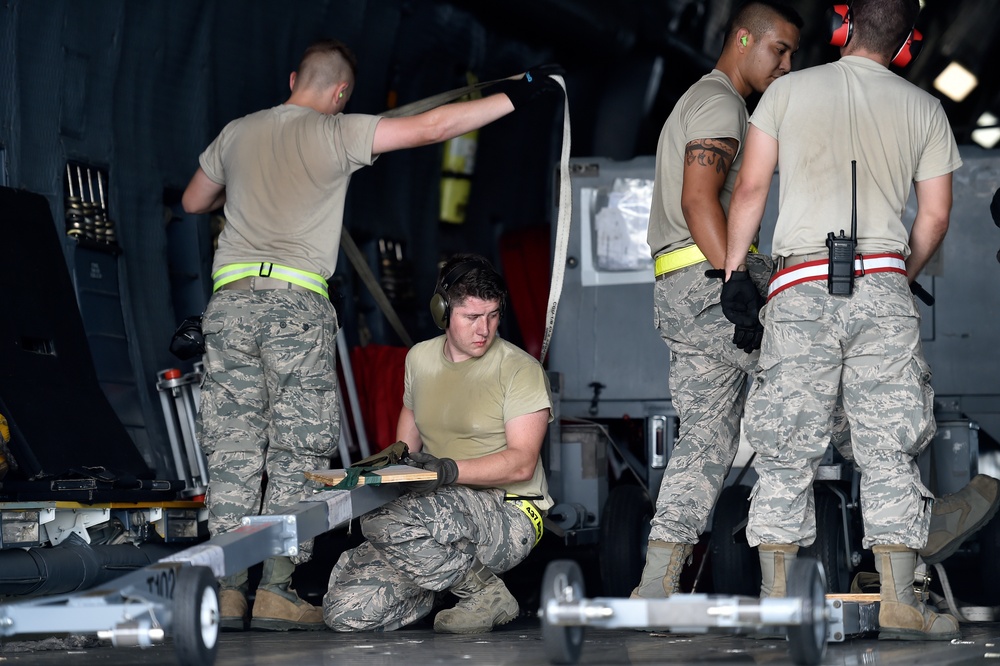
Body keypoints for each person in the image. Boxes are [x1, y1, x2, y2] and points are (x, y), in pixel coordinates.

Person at [181, 40, 562, 631]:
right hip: (293, 306)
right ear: (340, 95)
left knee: (231, 451)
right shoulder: (335, 132)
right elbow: (433, 126)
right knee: (293, 452)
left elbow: (193, 199)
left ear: (292, 78)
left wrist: (254, 187)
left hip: (228, 304)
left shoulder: (236, 133)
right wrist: (520, 92)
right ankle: (276, 589)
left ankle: (228, 591)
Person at [722, 0, 968, 640]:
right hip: (884, 282)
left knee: (785, 447)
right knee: (888, 446)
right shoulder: (926, 110)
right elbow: (935, 216)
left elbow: (749, 190)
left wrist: (732, 274)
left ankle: (778, 601)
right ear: (908, 42)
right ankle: (897, 601)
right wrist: (897, 277)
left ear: (846, 25)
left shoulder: (787, 92)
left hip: (800, 285)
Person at [633, 0, 803, 601]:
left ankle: (655, 583)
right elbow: (699, 198)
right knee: (807, 402)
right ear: (742, 38)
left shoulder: (700, 99)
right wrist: (737, 281)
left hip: (684, 292)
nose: (786, 64)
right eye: (778, 49)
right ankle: (902, 529)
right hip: (715, 290)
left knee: (705, 440)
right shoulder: (721, 104)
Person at [323, 254, 553, 634]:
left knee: (382, 516)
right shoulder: (420, 359)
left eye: (493, 315)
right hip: (434, 512)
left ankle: (484, 593)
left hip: (510, 511)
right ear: (443, 313)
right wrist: (364, 476)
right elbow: (402, 448)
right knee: (346, 614)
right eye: (472, 317)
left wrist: (445, 471)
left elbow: (521, 464)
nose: (485, 329)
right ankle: (445, 581)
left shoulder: (519, 369)